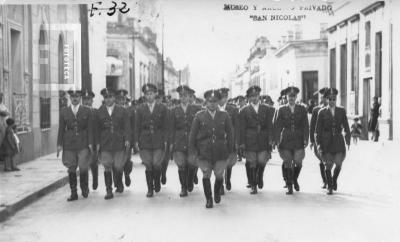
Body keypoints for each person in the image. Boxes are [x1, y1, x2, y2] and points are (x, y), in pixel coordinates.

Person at [189, 89, 234, 208]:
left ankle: (216, 191)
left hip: (220, 151)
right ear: (206, 102)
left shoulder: (224, 115)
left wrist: (231, 150)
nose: (212, 104)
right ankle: (209, 199)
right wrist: (192, 151)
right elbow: (192, 135)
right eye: (210, 101)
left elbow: (230, 134)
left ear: (218, 102)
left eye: (215, 101)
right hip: (204, 151)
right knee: (206, 174)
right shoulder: (199, 116)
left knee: (219, 175)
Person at [57, 90, 94, 201]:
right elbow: (61, 129)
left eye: (77, 96)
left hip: (83, 143)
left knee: (83, 167)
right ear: (70, 98)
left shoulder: (87, 111)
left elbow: (90, 129)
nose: (75, 98)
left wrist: (91, 143)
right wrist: (59, 144)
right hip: (69, 144)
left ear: (80, 97)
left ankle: (84, 188)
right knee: (71, 168)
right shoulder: (64, 111)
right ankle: (73, 192)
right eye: (72, 96)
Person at [95, 88, 131, 199]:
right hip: (105, 142)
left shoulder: (122, 111)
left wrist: (127, 139)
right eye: (106, 97)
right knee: (107, 165)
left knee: (118, 166)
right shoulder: (99, 111)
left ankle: (119, 182)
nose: (108, 99)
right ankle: (109, 190)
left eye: (110, 97)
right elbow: (96, 129)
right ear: (104, 99)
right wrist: (97, 143)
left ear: (114, 98)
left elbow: (127, 126)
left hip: (119, 141)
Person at [239, 85, 274, 195]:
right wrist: (242, 143)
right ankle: (253, 185)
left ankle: (260, 176)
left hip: (263, 139)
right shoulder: (244, 110)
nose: (254, 98)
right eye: (252, 96)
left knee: (262, 161)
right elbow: (241, 128)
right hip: (250, 139)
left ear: (259, 96)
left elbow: (270, 125)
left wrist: (271, 139)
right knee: (252, 162)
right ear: (248, 98)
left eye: (256, 95)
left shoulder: (266, 109)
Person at [274, 86, 309, 195]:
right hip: (286, 139)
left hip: (298, 139)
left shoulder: (302, 109)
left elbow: (305, 125)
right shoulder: (281, 109)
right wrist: (276, 140)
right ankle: (289, 186)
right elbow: (277, 126)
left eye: (293, 96)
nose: (291, 98)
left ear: (296, 97)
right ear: (286, 97)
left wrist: (306, 138)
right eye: (290, 96)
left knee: (298, 162)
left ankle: (294, 179)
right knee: (288, 162)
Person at [135, 84, 168, 198]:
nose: (149, 96)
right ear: (144, 95)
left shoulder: (162, 108)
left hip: (158, 138)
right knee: (148, 165)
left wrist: (165, 139)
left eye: (151, 93)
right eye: (147, 94)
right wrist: (136, 141)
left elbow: (166, 125)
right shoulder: (140, 109)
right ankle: (150, 189)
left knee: (156, 163)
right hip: (145, 139)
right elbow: (137, 126)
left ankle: (157, 180)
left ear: (155, 94)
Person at [315, 88, 350, 195]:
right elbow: (317, 130)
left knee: (338, 164)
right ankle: (330, 187)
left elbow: (346, 126)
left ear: (336, 99)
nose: (332, 101)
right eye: (329, 99)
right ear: (327, 99)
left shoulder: (341, 111)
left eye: (333, 99)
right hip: (326, 142)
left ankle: (334, 180)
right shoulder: (322, 112)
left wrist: (348, 139)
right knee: (328, 164)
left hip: (338, 141)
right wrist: (318, 144)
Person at [169, 85, 200, 197]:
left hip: (192, 141)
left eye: (185, 95)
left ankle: (190, 181)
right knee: (181, 165)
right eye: (181, 96)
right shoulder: (174, 111)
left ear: (189, 96)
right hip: (179, 140)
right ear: (179, 97)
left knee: (192, 164)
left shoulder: (196, 109)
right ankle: (183, 188)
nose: (183, 98)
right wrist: (171, 143)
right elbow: (171, 128)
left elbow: (199, 127)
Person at [218, 88, 239, 193]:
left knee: (229, 162)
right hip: (218, 140)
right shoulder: (213, 108)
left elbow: (236, 126)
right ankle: (220, 184)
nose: (223, 100)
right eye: (221, 97)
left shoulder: (233, 109)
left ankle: (228, 179)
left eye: (225, 97)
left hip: (230, 139)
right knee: (219, 162)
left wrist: (235, 141)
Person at [309, 87, 329, 189]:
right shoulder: (316, 110)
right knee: (322, 160)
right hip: (319, 139)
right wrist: (312, 141)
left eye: (326, 97)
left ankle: (329, 180)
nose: (324, 99)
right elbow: (312, 126)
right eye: (323, 97)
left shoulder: (332, 109)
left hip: (330, 139)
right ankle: (325, 181)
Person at [115, 89, 134, 191]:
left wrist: (132, 140)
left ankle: (127, 174)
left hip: (127, 140)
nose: (121, 101)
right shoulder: (113, 110)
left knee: (126, 161)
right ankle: (119, 184)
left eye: (123, 99)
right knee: (117, 163)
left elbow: (133, 126)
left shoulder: (130, 110)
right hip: (116, 140)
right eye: (119, 99)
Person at [81, 89, 99, 190]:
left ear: (92, 101)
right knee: (84, 165)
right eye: (84, 99)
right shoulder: (78, 112)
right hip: (82, 142)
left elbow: (98, 128)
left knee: (93, 163)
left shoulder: (96, 112)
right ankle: (85, 187)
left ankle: (95, 179)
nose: (86, 101)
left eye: (89, 99)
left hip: (94, 143)